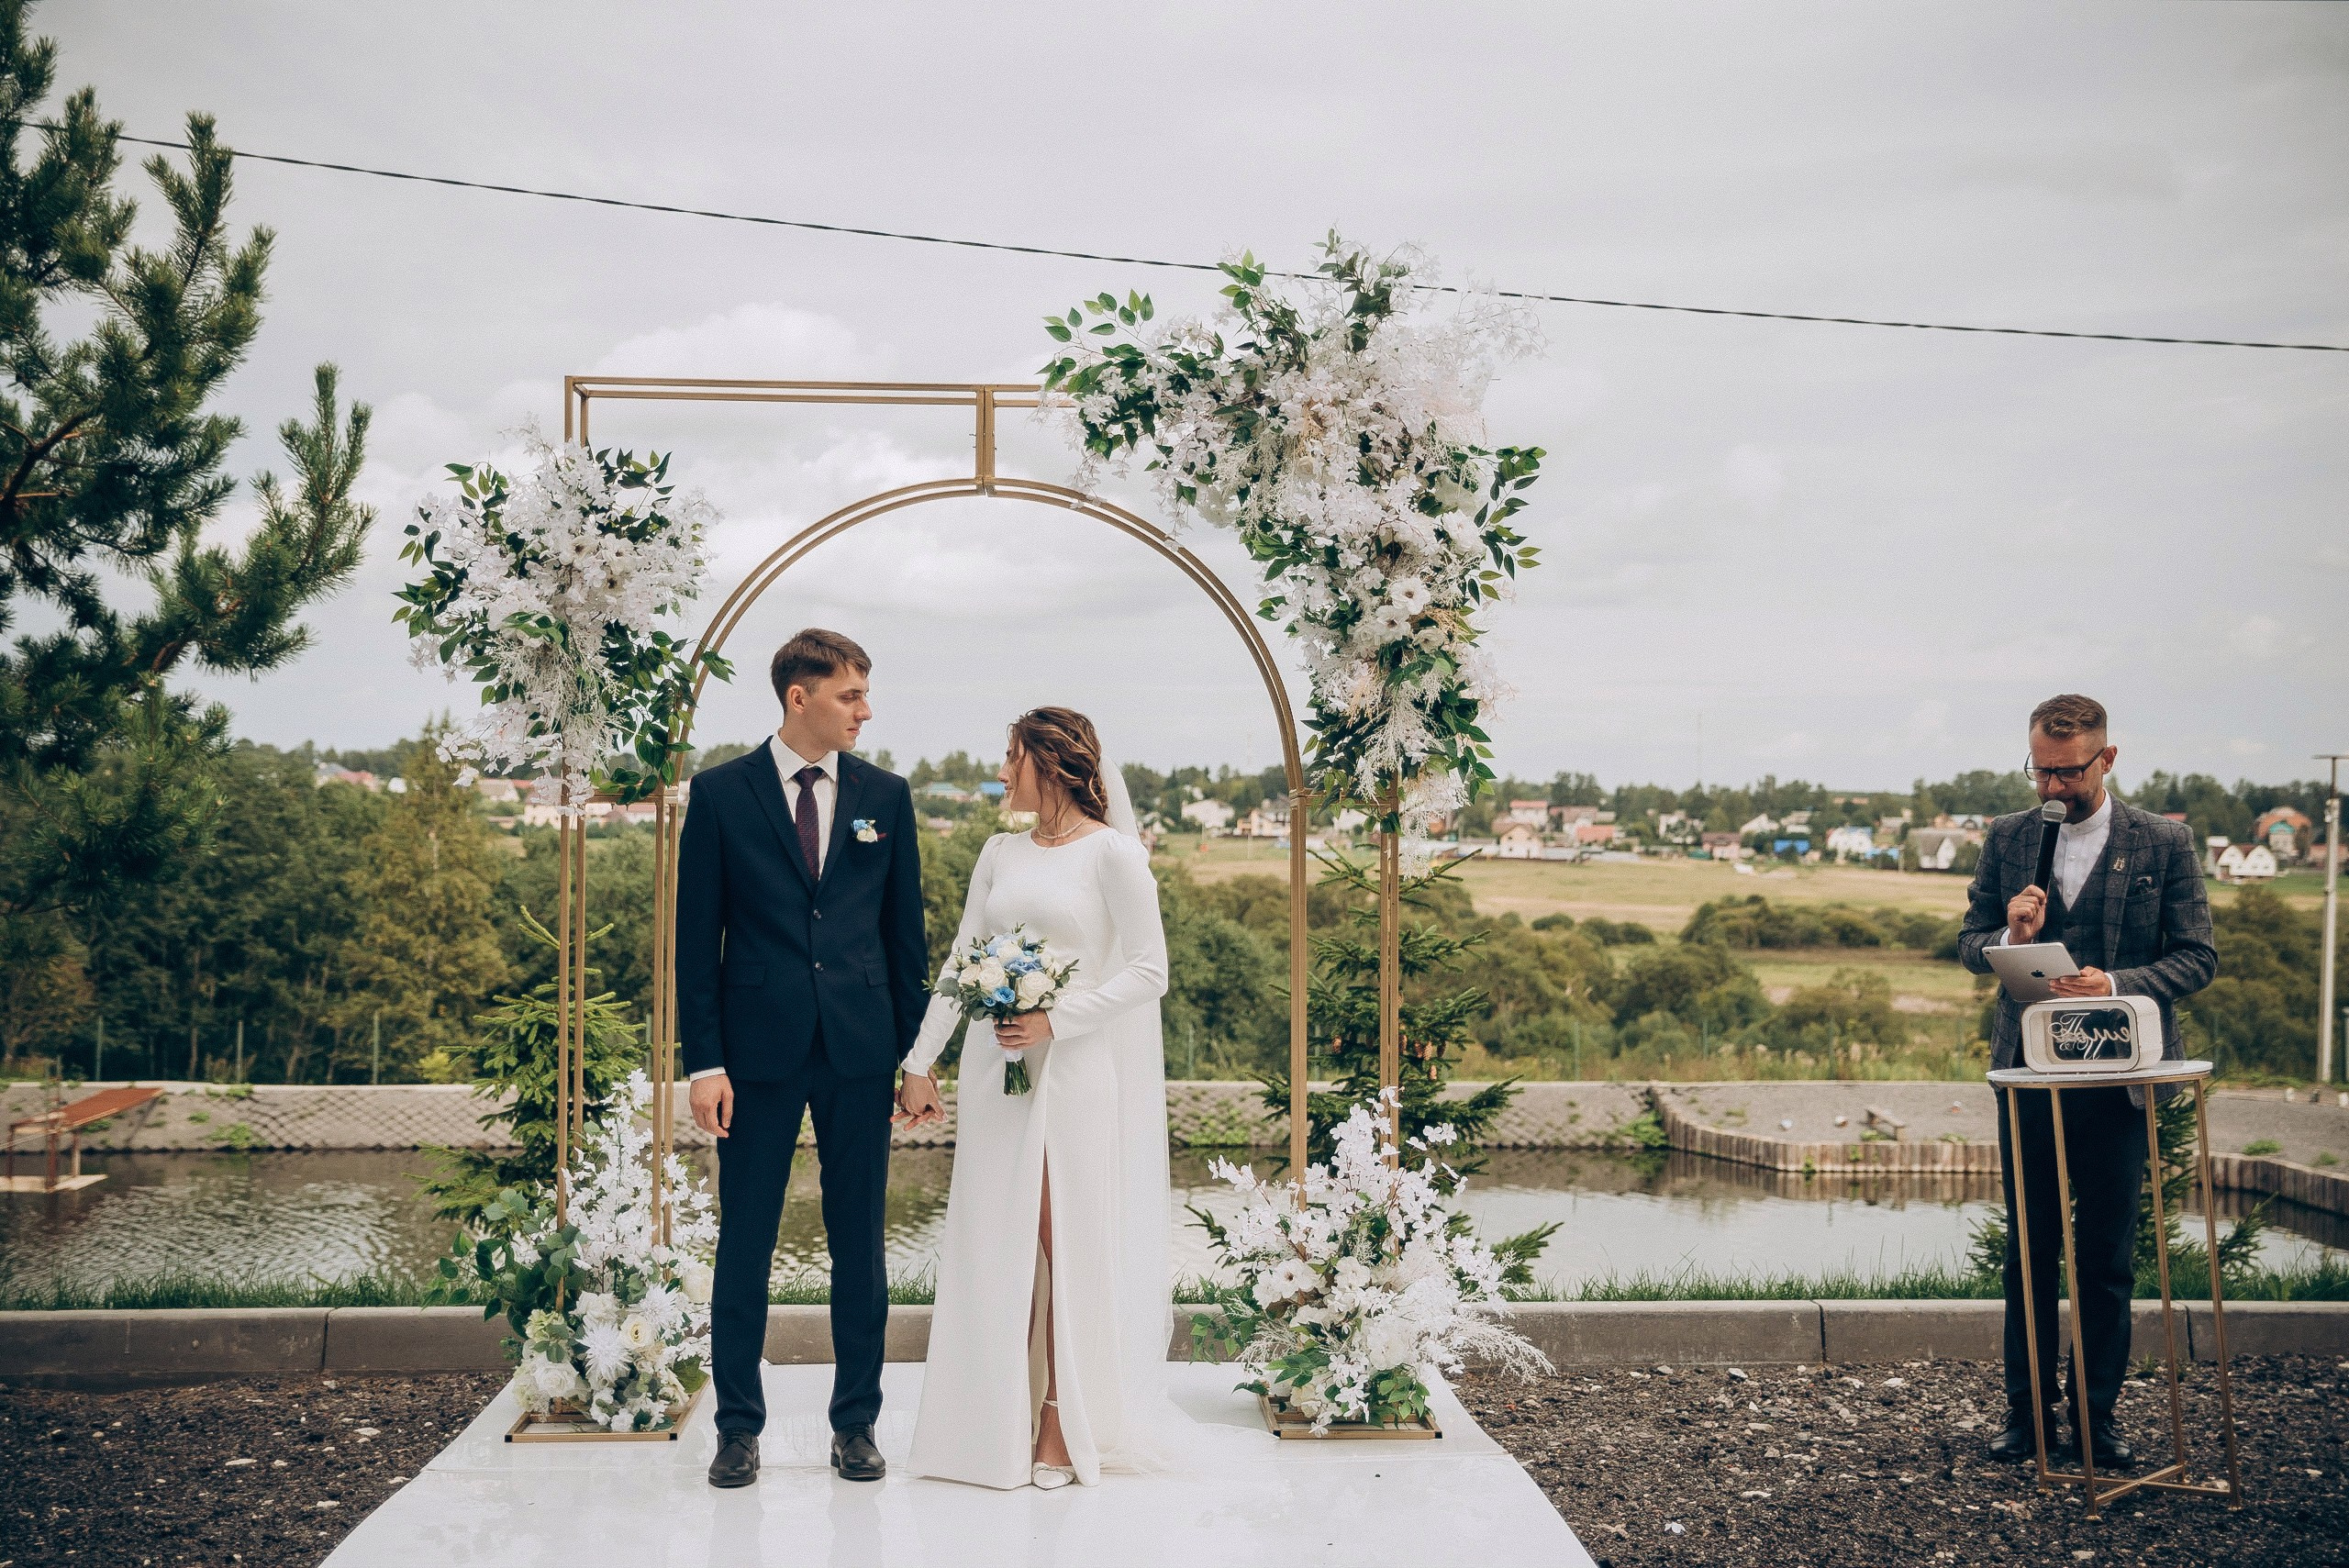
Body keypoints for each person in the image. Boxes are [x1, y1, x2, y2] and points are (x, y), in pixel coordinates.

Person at [893, 707, 1197, 1489]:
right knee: (996, 1241)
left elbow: (1149, 969)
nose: (1001, 769)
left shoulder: (1114, 856)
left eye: (1010, 755)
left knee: (1061, 1244)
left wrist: (1056, 1018)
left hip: (1072, 1071)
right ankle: (988, 1424)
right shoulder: (998, 851)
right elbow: (964, 959)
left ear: (1051, 762)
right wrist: (919, 1061)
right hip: (995, 1073)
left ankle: (1061, 1420)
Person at [675, 628, 931, 1490]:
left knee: (859, 1243)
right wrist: (703, 1062)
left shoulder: (886, 797)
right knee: (743, 1241)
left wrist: (916, 1056)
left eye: (865, 693)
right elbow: (693, 941)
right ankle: (738, 1428)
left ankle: (856, 1422)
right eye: (851, 694)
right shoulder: (718, 794)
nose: (866, 709)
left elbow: (906, 940)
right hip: (755, 1056)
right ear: (799, 698)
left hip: (859, 1049)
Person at [1957, 694, 2216, 1470]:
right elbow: (1970, 943)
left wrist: (2118, 982)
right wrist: (2011, 935)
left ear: (2106, 760)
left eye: (2067, 772)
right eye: (2040, 768)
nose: (2050, 788)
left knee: (2104, 1256)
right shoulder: (2009, 836)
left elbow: (2197, 955)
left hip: (2120, 1078)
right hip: (2028, 1076)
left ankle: (2097, 1422)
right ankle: (2027, 1418)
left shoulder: (2164, 842)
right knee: (2029, 1253)